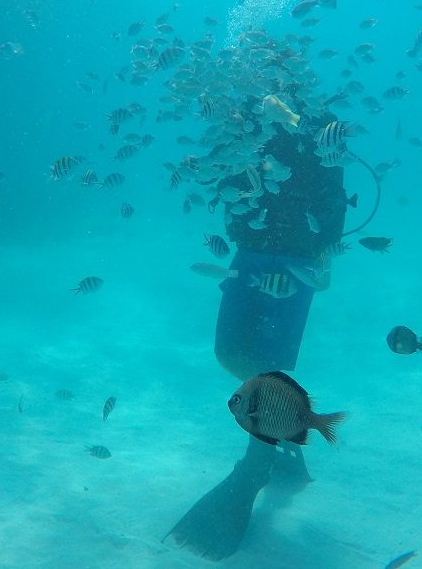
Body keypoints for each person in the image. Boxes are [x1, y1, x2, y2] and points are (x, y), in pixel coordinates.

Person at [164, 99, 352, 561]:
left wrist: (324, 249)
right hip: (250, 252)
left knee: (274, 364)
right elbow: (226, 178)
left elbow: (334, 190)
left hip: (297, 260)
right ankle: (284, 439)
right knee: (228, 350)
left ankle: (254, 467)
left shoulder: (315, 126)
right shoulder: (243, 120)